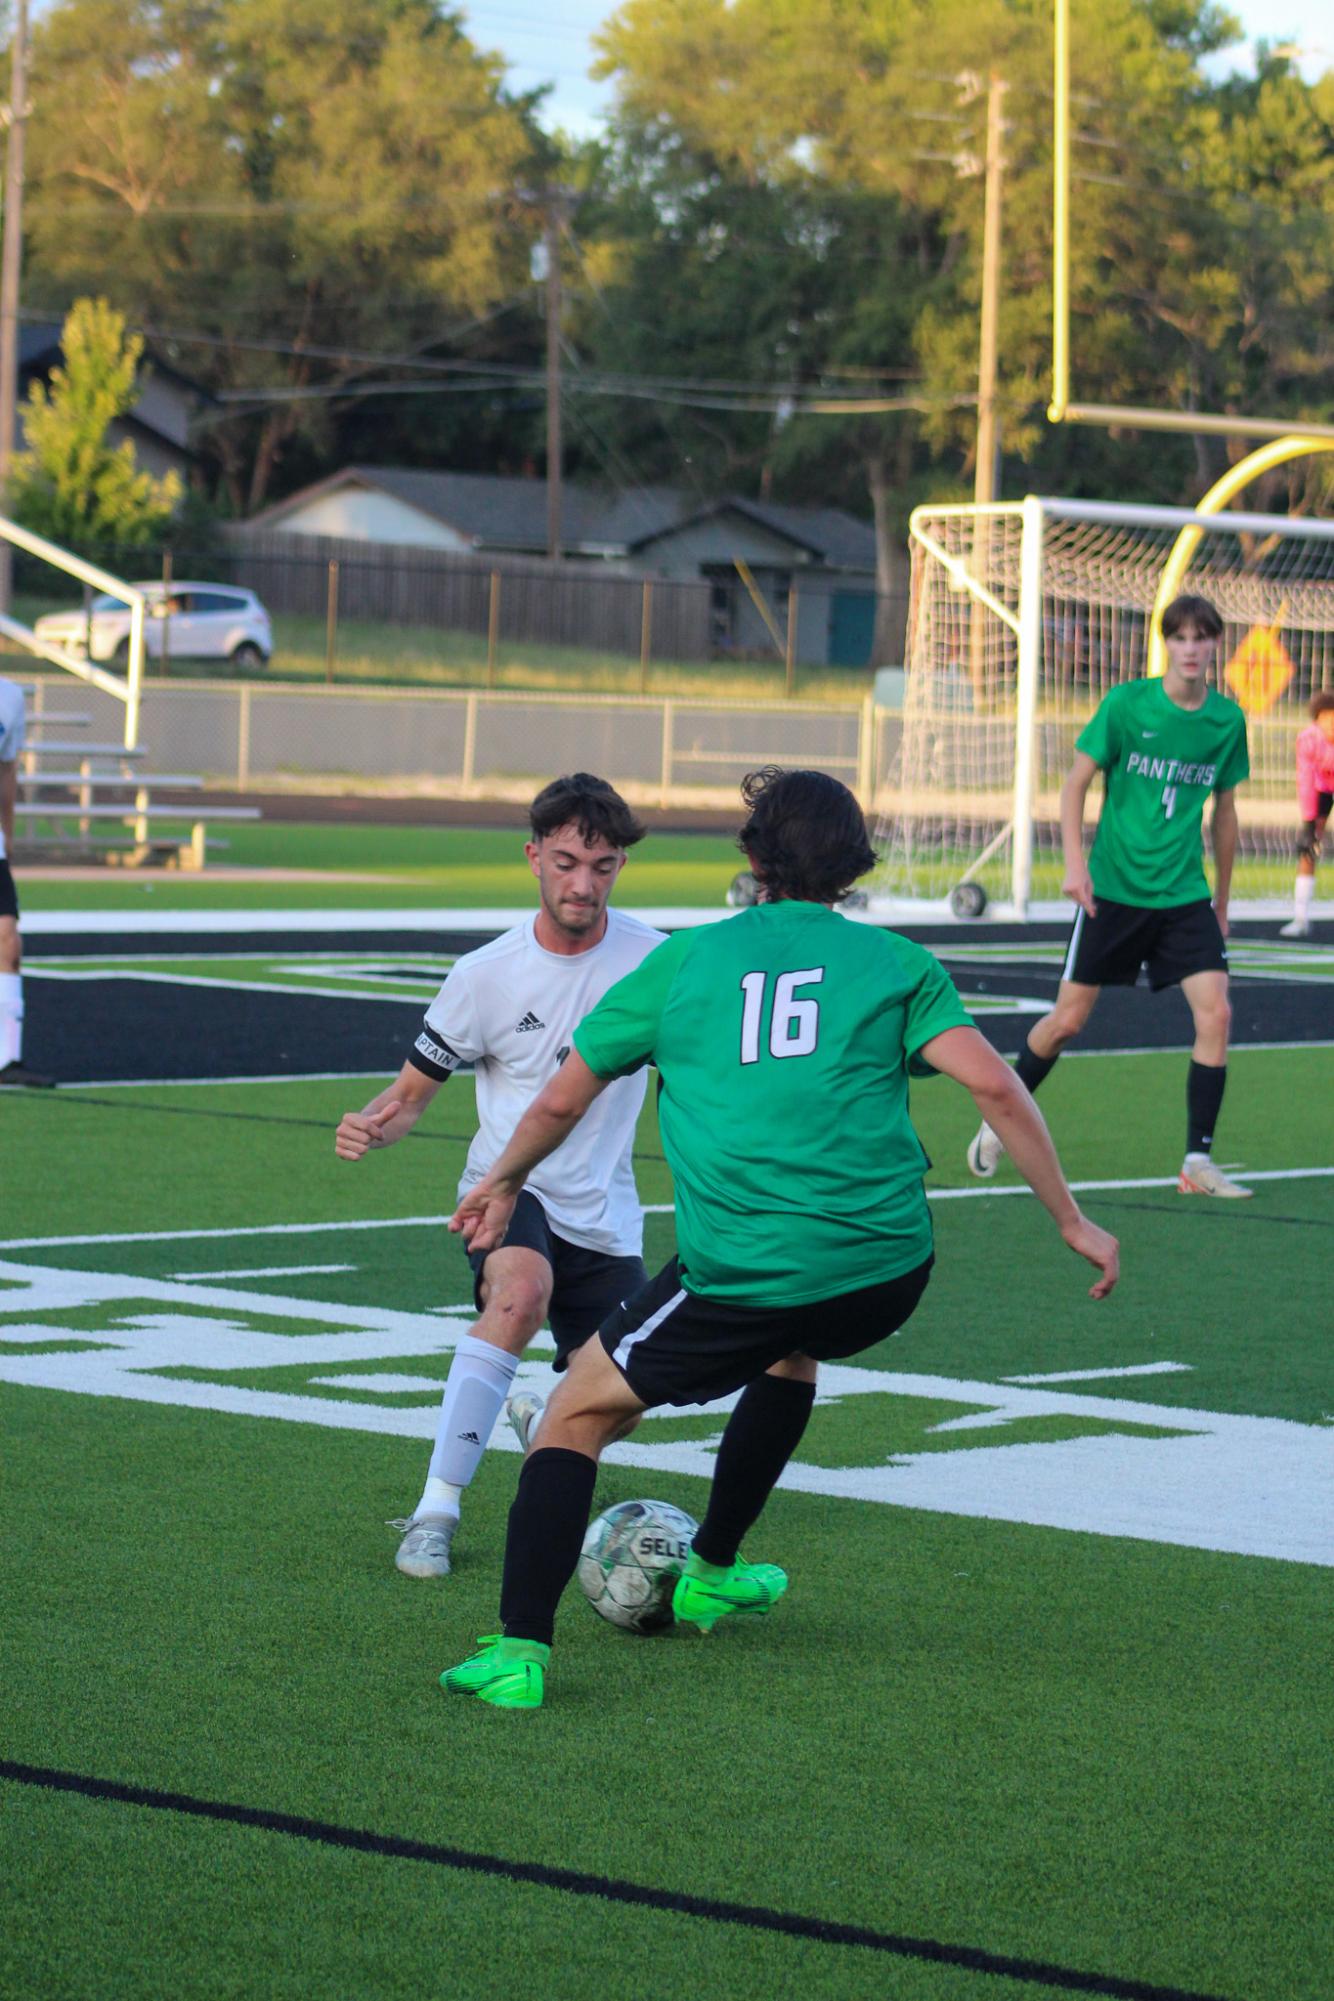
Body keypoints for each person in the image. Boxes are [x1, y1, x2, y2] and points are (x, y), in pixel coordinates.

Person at [439, 767, 1119, 1710]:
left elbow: (561, 1095)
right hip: (886, 1270)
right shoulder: (896, 962)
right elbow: (998, 1087)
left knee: (570, 1414)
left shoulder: (682, 964)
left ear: (753, 859)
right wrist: (1072, 1219)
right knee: (795, 1344)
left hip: (746, 1271)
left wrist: (502, 1178)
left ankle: (518, 1652)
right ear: (851, 867)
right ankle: (714, 1564)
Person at [334, 773, 664, 1578]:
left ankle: (531, 1413)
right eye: (565, 862)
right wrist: (376, 1124)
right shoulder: (485, 973)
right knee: (519, 1296)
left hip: (606, 1212)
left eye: (602, 865)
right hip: (505, 1190)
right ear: (533, 858)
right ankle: (435, 1510)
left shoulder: (658, 962)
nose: (583, 883)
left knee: (626, 1397)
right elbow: (413, 1094)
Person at [968, 593, 1251, 1199]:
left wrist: (1223, 903)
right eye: (1180, 637)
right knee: (1068, 1021)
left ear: (1215, 645)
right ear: (1166, 643)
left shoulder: (1227, 722)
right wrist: (1076, 864)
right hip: (1114, 890)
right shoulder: (1126, 705)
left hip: (1183, 895)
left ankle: (1196, 1162)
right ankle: (999, 1119)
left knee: (1217, 1014)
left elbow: (1225, 815)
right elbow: (1075, 783)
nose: (1192, 648)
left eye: (1203, 637)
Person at [0, 675, 54, 1090]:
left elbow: (7, 773)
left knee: (7, 939)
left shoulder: (10, 697)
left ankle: (6, 1057)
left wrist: (8, 834)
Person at [1279, 690, 1334, 938]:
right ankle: (1301, 917)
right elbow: (1306, 780)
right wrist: (1309, 822)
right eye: (1328, 719)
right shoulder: (1308, 739)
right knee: (1309, 850)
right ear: (1317, 719)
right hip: (1322, 790)